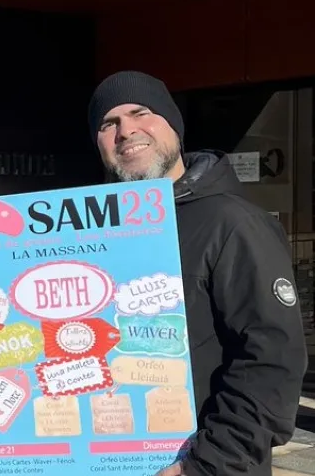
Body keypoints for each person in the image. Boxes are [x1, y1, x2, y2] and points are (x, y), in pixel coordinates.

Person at [87, 70, 307, 476]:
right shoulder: (96, 229)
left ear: (174, 125)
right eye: (108, 123)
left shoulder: (233, 223)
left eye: (141, 113)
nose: (126, 131)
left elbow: (271, 361)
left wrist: (204, 465)